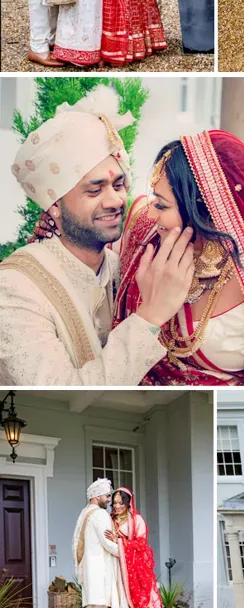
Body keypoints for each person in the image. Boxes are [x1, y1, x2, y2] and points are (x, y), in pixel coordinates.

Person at [0, 86, 194, 386]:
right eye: (94, 190)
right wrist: (151, 316)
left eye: (118, 185)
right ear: (55, 206)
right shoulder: (16, 287)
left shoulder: (122, 267)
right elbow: (62, 394)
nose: (115, 200)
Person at [113, 132, 244, 386]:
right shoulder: (148, 237)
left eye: (162, 206)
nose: (151, 215)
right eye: (154, 200)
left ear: (207, 212)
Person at [72, 478, 131, 608]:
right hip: (99, 571)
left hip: (89, 569)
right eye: (107, 496)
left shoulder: (85, 512)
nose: (109, 500)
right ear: (97, 496)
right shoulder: (99, 515)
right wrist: (129, 550)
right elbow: (109, 544)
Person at [107, 487, 163, 608]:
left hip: (134, 570)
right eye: (114, 503)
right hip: (117, 568)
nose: (117, 506)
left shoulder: (136, 520)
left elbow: (141, 544)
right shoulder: (110, 519)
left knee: (140, 605)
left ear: (128, 503)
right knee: (118, 606)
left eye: (120, 503)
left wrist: (119, 541)